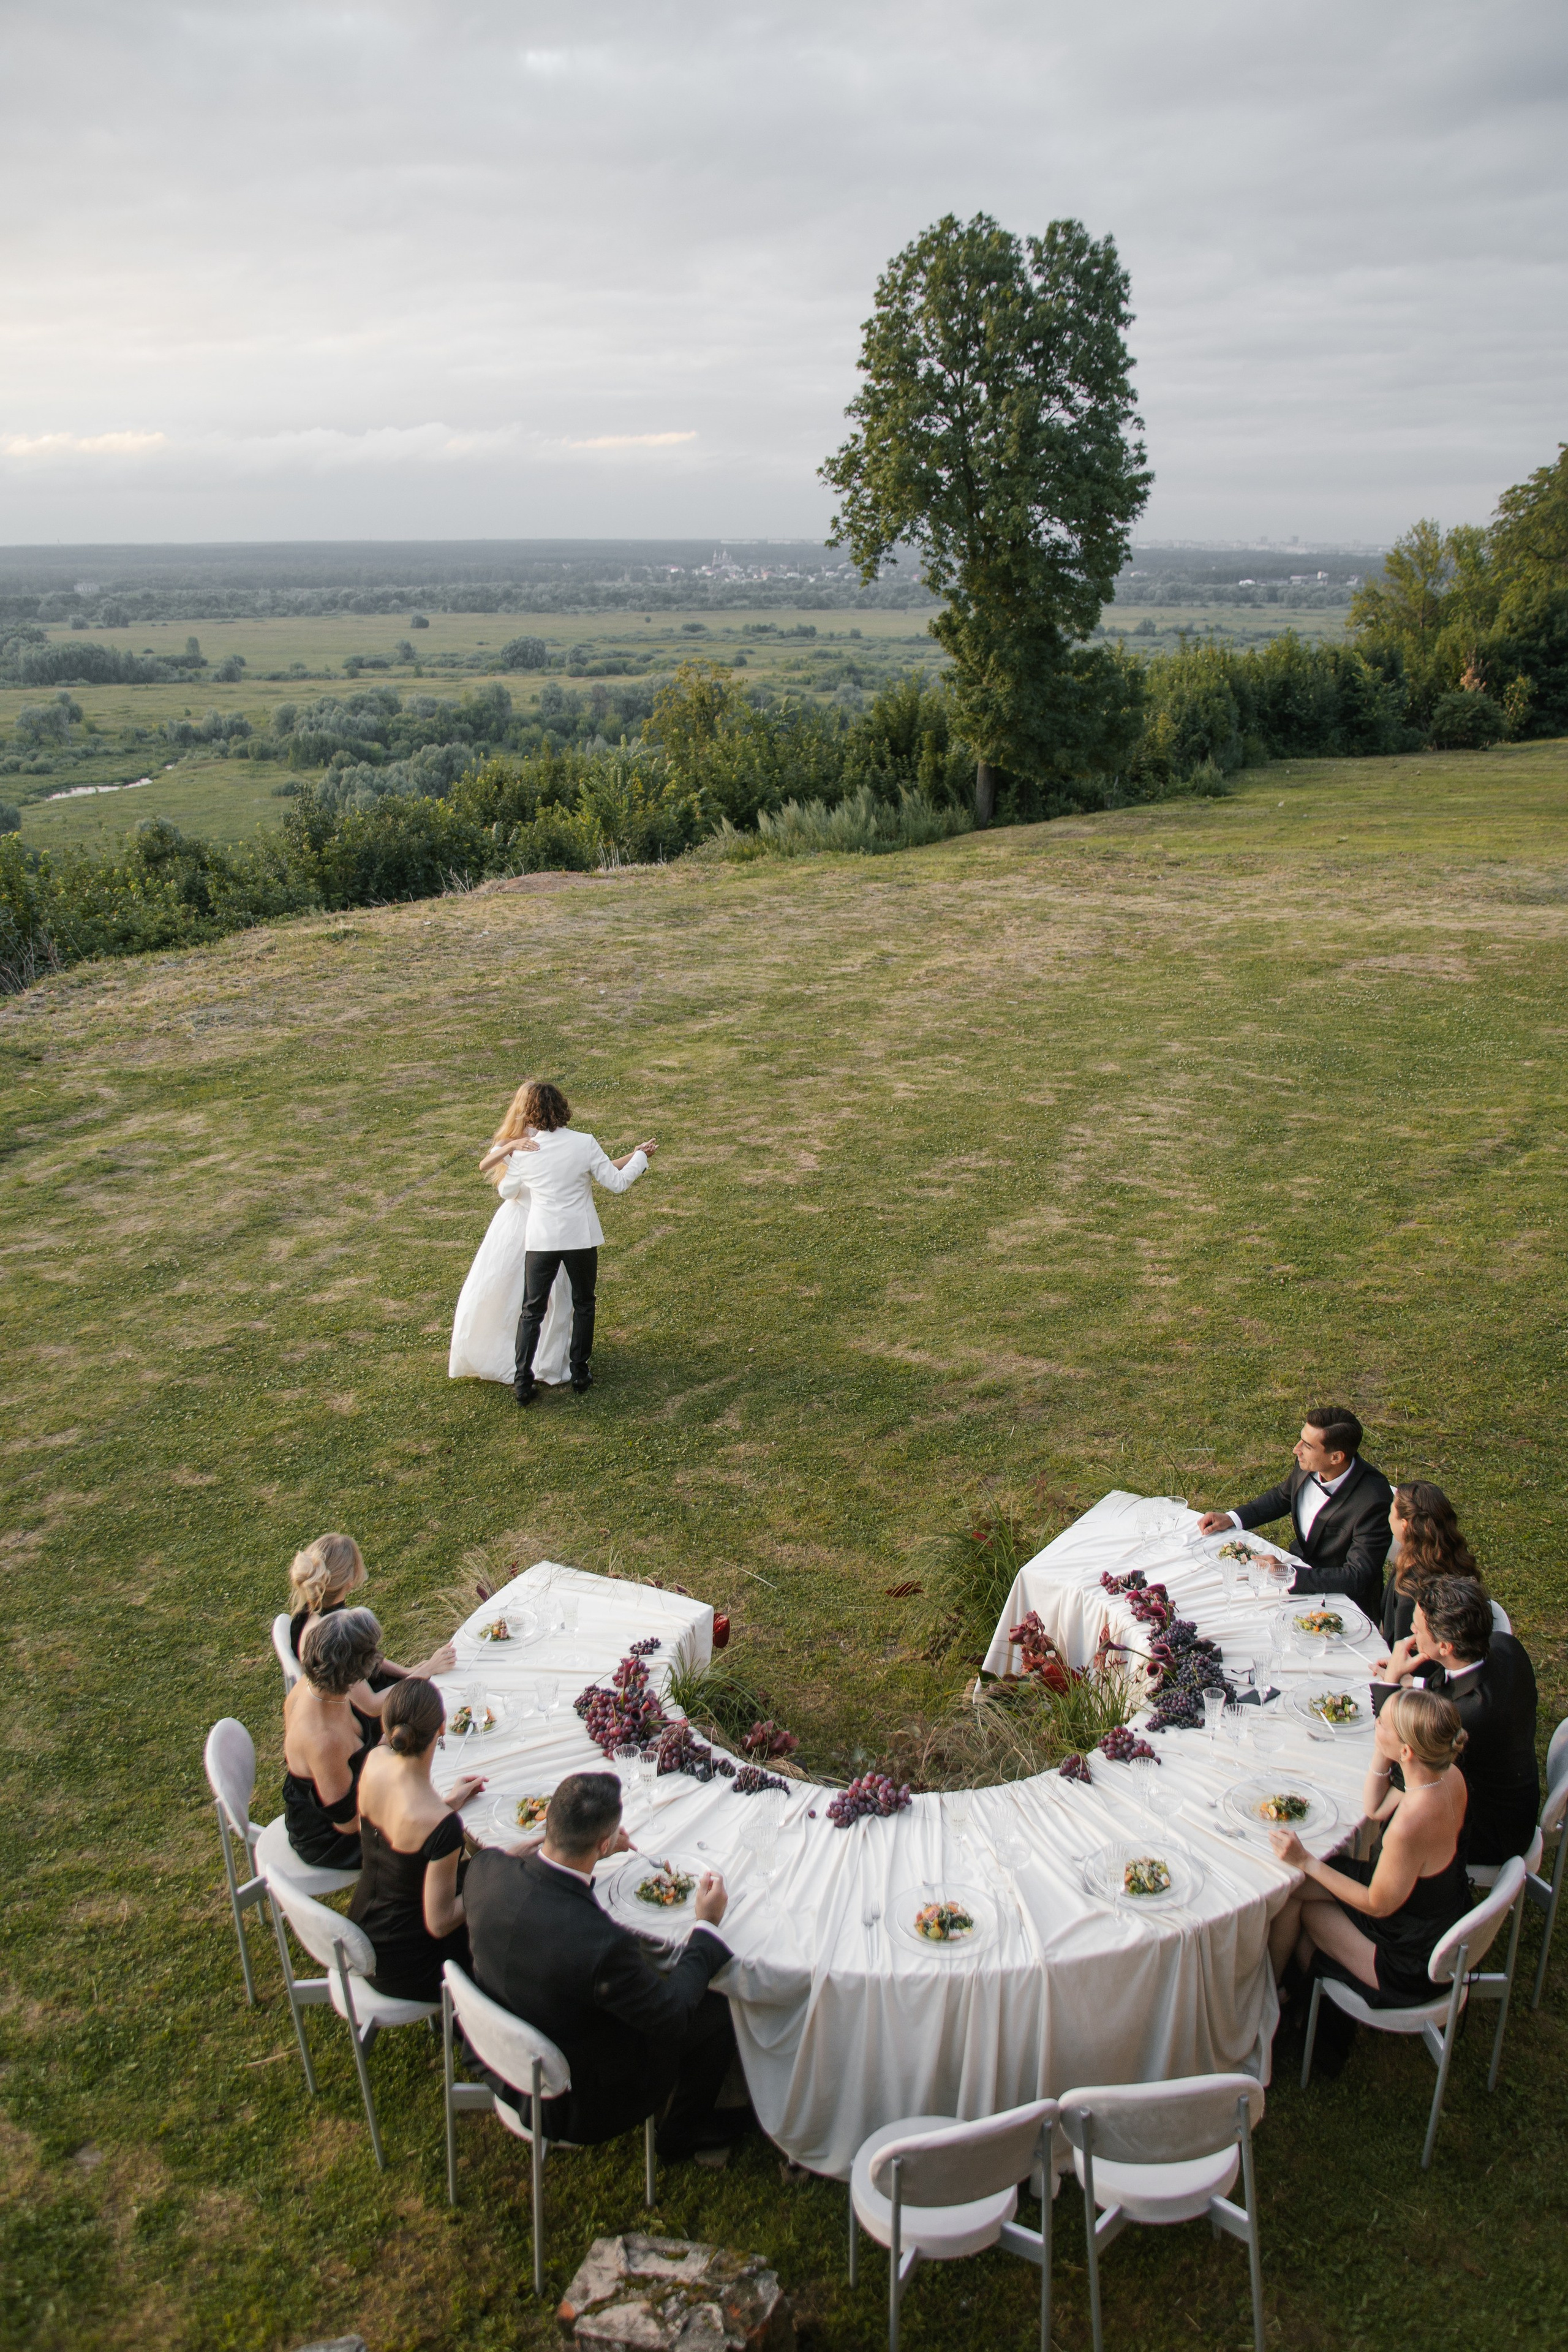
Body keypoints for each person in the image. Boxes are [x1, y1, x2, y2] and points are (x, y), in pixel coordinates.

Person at [462, 1770, 747, 2162]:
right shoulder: (603, 1945)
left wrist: (594, 1852)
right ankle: (681, 2132)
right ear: (603, 1841)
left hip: (496, 2051)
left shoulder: (483, 1872)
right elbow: (674, 2015)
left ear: (549, 1821)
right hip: (577, 2101)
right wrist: (705, 1929)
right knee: (715, 2003)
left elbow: (517, 1859)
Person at [1266, 1687, 1472, 2061]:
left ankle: (1273, 2008)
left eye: (1382, 1723)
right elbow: (1374, 1807)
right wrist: (1386, 1744)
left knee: (1304, 1904)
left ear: (1408, 1752)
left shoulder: (1412, 1822)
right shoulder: (1447, 1775)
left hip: (1408, 1954)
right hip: (1424, 1905)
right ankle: (1283, 1992)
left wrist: (1306, 1861)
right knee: (1297, 1888)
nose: (1374, 1721)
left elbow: (1377, 1905)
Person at [476, 1079, 655, 1404]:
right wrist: (640, 1158)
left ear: (530, 1113)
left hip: (541, 1239)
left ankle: (522, 1382)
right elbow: (615, 1184)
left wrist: (510, 1154)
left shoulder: (524, 1151)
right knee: (584, 1303)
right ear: (563, 1108)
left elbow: (508, 1189)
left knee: (532, 1311)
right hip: (580, 1238)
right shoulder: (584, 1143)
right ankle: (580, 1372)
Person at [1373, 1576, 1540, 1866]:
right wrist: (1414, 1682)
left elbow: (1393, 1740)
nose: (1410, 1631)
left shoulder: (1461, 1716)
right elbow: (1454, 1686)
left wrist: (1391, 1683)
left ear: (1446, 1647)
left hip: (1489, 1833)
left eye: (1417, 1627)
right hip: (1517, 1801)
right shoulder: (1505, 1646)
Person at [347, 1680, 486, 2001]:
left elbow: (399, 1826)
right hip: (408, 1963)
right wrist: (494, 1881)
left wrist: (449, 1803)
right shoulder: (442, 1826)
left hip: (363, 1929)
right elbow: (440, 1923)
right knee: (501, 1900)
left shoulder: (373, 1761)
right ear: (442, 1728)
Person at [1196, 1408, 1393, 1616]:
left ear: (1336, 1457)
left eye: (1307, 1446)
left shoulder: (1374, 1501)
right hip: (1294, 1572)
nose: (1296, 1449)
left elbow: (1357, 1576)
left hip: (1343, 1604)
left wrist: (1288, 1574)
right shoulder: (1310, 1462)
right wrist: (1232, 1518)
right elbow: (1283, 1496)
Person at [450, 1091, 575, 1389]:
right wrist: (512, 1146)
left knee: (547, 1293)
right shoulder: (511, 1141)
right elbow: (485, 1164)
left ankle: (542, 1355)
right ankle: (503, 1352)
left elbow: (598, 1165)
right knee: (502, 1288)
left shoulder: (556, 1138)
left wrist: (636, 1157)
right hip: (515, 1226)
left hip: (543, 1224)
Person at [286, 1532, 455, 1725]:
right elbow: (372, 1706)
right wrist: (426, 1672)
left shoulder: (308, 1614)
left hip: (367, 1693)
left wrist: (406, 1672)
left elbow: (365, 1655)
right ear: (350, 1581)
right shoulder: (335, 1639)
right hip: (366, 1720)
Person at [281, 1609, 385, 1868]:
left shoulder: (316, 1684)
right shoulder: (324, 1741)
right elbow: (349, 1824)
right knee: (436, 1827)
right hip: (334, 1839)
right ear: (355, 1672)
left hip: (358, 1801)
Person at [1378, 1482, 1483, 1647]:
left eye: (1391, 1510)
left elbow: (1402, 1648)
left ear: (1404, 1524)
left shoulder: (1410, 1586)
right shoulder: (1455, 1557)